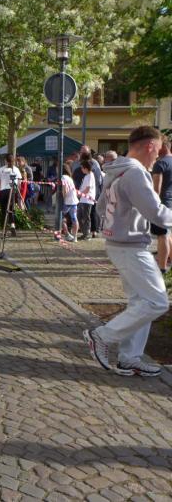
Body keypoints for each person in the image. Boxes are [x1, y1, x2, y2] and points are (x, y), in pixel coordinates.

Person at [84, 126, 172, 377]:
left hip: (119, 244)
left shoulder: (115, 170)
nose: (157, 157)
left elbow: (100, 208)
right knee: (157, 301)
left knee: (140, 302)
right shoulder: (135, 173)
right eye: (158, 150)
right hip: (131, 247)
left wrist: (117, 225)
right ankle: (102, 336)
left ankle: (129, 358)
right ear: (150, 146)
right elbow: (156, 213)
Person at [150, 136, 172, 271]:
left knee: (162, 236)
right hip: (171, 203)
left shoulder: (160, 164)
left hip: (163, 204)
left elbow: (156, 189)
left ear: (163, 146)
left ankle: (162, 268)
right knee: (168, 235)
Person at [0, 153, 22, 236]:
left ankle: (4, 230)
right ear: (13, 160)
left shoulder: (1, 169)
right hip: (12, 191)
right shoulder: (16, 169)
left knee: (4, 211)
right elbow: (19, 183)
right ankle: (12, 226)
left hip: (3, 192)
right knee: (11, 210)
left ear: (5, 160)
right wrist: (18, 194)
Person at [77, 160, 97, 240]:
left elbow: (87, 189)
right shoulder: (87, 176)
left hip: (87, 200)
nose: (81, 169)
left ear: (86, 168)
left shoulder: (90, 175)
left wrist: (79, 194)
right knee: (79, 216)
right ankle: (84, 233)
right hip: (83, 199)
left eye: (82, 168)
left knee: (86, 217)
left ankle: (86, 234)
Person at [60, 163, 79, 242]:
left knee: (61, 218)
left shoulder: (63, 177)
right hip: (74, 201)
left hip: (67, 201)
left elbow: (65, 189)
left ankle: (67, 234)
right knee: (74, 218)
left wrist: (63, 198)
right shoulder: (70, 178)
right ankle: (75, 237)